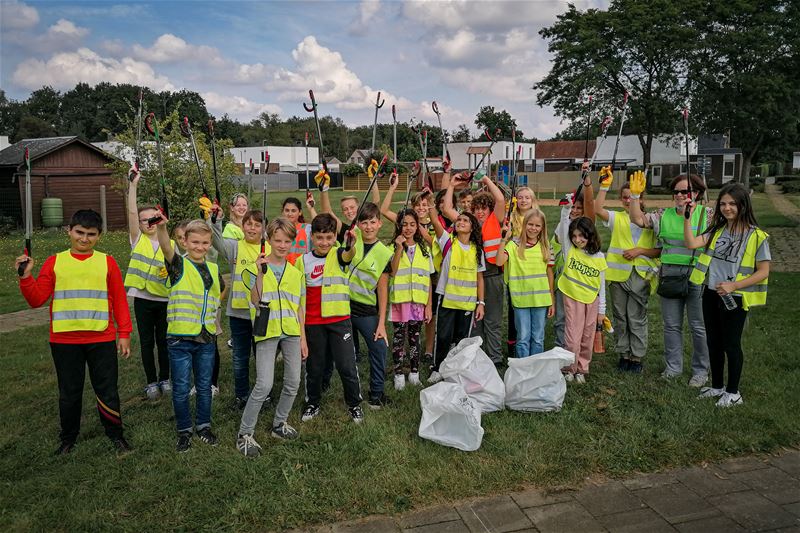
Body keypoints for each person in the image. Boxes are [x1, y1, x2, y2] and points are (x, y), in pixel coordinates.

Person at [16, 209, 132, 455]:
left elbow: (120, 300)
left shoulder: (107, 262)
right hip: (64, 341)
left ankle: (115, 434)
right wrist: (26, 277)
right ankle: (68, 438)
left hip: (101, 338)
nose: (84, 239)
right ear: (69, 231)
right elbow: (37, 300)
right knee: (69, 393)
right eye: (79, 232)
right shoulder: (54, 262)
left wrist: (124, 333)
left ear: (99, 236)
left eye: (91, 234)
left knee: (107, 390)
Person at [682, 182, 770, 407]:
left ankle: (733, 392)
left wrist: (735, 285)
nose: (727, 208)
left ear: (743, 205)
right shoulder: (716, 231)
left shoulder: (757, 236)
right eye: (723, 204)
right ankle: (717, 386)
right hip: (711, 293)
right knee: (714, 342)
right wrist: (687, 217)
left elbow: (763, 272)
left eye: (732, 203)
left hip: (735, 298)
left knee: (731, 344)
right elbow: (691, 243)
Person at [629, 173, 711, 386]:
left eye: (685, 191)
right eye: (676, 192)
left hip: (698, 277)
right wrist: (635, 196)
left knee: (698, 326)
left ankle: (701, 371)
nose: (679, 195)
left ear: (697, 193)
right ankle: (673, 368)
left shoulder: (707, 215)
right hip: (670, 275)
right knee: (671, 325)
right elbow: (638, 219)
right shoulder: (663, 215)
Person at [236, 218, 308, 457]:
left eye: (287, 241)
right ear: (269, 240)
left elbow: (299, 307)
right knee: (264, 384)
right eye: (278, 240)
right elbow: (255, 300)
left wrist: (303, 338)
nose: (282, 245)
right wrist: (259, 273)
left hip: (291, 333)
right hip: (267, 332)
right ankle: (245, 434)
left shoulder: (296, 273)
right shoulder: (257, 268)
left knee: (293, 381)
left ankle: (279, 423)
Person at [155, 216, 224, 452]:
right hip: (180, 339)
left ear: (210, 244)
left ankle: (204, 426)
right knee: (182, 388)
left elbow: (217, 293)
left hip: (206, 339)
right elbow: (165, 246)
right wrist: (162, 227)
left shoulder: (213, 269)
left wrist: (213, 317)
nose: (200, 247)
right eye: (195, 242)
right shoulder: (178, 265)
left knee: (204, 386)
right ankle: (184, 430)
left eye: (205, 243)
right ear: (184, 241)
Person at [296, 213, 364, 423]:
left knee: (346, 365)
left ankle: (354, 404)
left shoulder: (339, 254)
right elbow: (299, 297)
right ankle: (312, 403)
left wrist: (350, 244)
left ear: (335, 237)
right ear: (312, 237)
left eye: (329, 237)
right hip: (313, 323)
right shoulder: (302, 261)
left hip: (339, 322)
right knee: (314, 367)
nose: (324, 242)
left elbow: (349, 254)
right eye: (319, 238)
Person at [595, 169, 660, 373]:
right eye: (625, 197)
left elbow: (660, 250)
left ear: (641, 198)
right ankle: (624, 354)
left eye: (632, 196)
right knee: (621, 317)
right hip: (618, 276)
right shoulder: (617, 218)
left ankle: (637, 356)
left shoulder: (651, 220)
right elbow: (597, 209)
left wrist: (640, 251)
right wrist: (604, 186)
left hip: (641, 276)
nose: (628, 200)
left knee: (636, 317)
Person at [443, 172, 505, 366]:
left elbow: (500, 199)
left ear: (490, 209)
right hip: (472, 278)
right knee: (475, 322)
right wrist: (451, 185)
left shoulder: (496, 219)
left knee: (492, 320)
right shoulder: (469, 224)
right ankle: (476, 358)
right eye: (476, 208)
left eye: (483, 208)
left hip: (492, 276)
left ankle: (495, 358)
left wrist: (485, 180)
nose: (479, 212)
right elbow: (447, 209)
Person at [211, 208, 267, 409]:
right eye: (248, 223)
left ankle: (264, 395)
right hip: (238, 312)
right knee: (240, 357)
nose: (252, 228)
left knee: (262, 357)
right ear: (242, 226)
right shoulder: (234, 247)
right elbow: (216, 240)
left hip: (261, 312)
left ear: (263, 229)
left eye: (257, 224)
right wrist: (216, 221)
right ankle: (241, 395)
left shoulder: (268, 249)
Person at [125, 169, 171, 400]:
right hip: (143, 300)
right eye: (145, 220)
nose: (149, 223)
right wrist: (133, 186)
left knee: (164, 341)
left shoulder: (169, 242)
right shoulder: (137, 239)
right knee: (146, 342)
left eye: (154, 218)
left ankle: (165, 378)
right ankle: (151, 381)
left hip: (164, 299)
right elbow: (132, 212)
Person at [428, 204, 486, 382]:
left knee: (461, 339)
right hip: (447, 299)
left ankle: (456, 369)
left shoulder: (477, 251)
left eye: (465, 220)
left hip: (467, 302)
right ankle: (437, 368)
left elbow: (479, 279)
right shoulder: (448, 242)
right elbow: (435, 221)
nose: (460, 222)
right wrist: (430, 204)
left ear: (472, 227)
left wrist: (481, 303)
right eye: (458, 219)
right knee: (443, 336)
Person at [347, 203, 393, 408]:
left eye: (372, 222)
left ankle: (376, 394)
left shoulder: (384, 253)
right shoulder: (351, 237)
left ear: (379, 224)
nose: (368, 227)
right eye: (364, 222)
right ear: (358, 224)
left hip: (366, 310)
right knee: (343, 354)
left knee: (379, 348)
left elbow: (382, 291)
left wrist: (381, 323)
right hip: (342, 306)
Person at [497, 209, 555, 357]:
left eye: (537, 225)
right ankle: (523, 367)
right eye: (530, 224)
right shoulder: (514, 245)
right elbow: (499, 261)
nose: (533, 228)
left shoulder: (546, 246)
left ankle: (535, 367)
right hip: (520, 300)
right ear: (524, 225)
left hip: (541, 300)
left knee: (538, 338)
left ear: (542, 228)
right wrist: (504, 239)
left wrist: (552, 300)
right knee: (523, 338)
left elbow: (549, 274)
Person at [557, 213, 607, 383]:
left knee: (587, 336)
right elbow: (564, 226)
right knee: (572, 337)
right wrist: (566, 210)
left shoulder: (599, 257)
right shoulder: (570, 250)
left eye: (581, 235)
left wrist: (602, 310)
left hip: (592, 301)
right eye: (574, 236)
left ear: (590, 235)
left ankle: (581, 369)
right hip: (573, 298)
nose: (577, 240)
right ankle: (569, 368)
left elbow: (601, 286)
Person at [389, 209, 434, 389]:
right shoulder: (392, 248)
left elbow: (428, 280)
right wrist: (399, 249)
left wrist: (429, 306)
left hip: (418, 302)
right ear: (399, 226)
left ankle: (414, 372)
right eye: (404, 224)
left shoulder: (425, 250)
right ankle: (398, 374)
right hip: (400, 301)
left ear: (417, 227)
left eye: (412, 224)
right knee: (399, 338)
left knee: (415, 337)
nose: (408, 228)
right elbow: (392, 272)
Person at [551, 169, 596, 348]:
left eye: (579, 208)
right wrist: (566, 211)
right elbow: (562, 236)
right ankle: (561, 348)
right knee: (562, 317)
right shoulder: (563, 226)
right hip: (564, 278)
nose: (575, 211)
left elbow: (591, 204)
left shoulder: (588, 228)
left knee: (580, 319)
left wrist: (587, 182)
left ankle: (577, 350)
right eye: (574, 207)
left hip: (582, 280)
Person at [283, 196, 317, 264]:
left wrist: (311, 209)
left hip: (303, 267)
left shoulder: (307, 229)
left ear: (300, 212)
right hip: (284, 268)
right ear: (282, 212)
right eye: (287, 210)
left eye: (293, 211)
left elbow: (320, 226)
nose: (290, 214)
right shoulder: (278, 229)